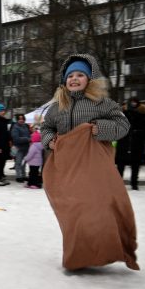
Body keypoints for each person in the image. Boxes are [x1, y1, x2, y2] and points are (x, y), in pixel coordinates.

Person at [41, 54, 137, 271]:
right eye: (70, 76)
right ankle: (78, 253)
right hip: (66, 167)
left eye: (80, 75)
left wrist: (99, 129)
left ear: (90, 79)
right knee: (73, 210)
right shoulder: (57, 107)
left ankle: (99, 250)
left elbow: (123, 124)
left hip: (94, 166)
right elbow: (46, 128)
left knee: (95, 209)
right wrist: (50, 140)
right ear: (64, 81)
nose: (74, 79)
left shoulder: (102, 103)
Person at [116, 97, 145, 190]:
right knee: (123, 165)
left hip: (133, 145)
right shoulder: (122, 117)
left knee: (133, 165)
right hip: (125, 144)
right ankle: (121, 184)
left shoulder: (142, 119)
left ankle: (132, 183)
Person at [11, 113, 31, 183]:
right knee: (18, 163)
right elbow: (16, 139)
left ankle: (23, 175)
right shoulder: (15, 127)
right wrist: (27, 139)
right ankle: (18, 176)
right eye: (19, 119)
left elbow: (29, 135)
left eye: (22, 118)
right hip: (19, 148)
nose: (21, 120)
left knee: (24, 163)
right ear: (17, 120)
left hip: (26, 148)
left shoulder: (26, 126)